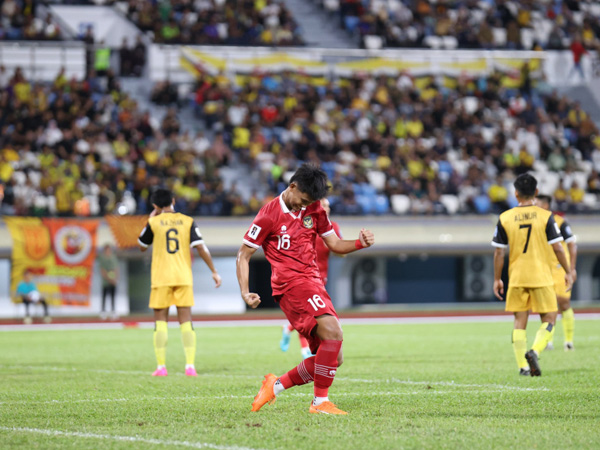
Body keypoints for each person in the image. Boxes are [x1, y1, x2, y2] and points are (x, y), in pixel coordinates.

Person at [236, 164, 375, 415]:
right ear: (292, 186)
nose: (304, 206)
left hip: (314, 282)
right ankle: (320, 403)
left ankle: (274, 386)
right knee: (333, 331)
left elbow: (334, 244)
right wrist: (245, 291)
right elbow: (243, 255)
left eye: (309, 202)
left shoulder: (316, 208)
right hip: (290, 284)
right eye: (303, 199)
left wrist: (358, 243)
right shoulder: (268, 214)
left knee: (334, 356)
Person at [492, 173, 572, 377]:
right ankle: (535, 351)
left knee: (520, 320)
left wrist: (497, 278)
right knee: (550, 317)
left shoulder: (505, 217)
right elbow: (558, 248)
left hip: (517, 276)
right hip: (541, 275)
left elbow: (499, 251)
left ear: (515, 192)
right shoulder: (546, 216)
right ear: (536, 192)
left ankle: (522, 367)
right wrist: (568, 271)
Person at [138, 188, 222, 377]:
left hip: (161, 277)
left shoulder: (153, 222)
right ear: (173, 200)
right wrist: (214, 271)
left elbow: (142, 246)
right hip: (183, 276)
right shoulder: (187, 221)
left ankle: (161, 367)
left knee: (160, 322)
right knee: (186, 321)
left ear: (155, 206)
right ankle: (190, 366)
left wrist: (152, 216)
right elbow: (200, 246)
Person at [280, 198, 343, 359]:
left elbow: (340, 250)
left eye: (328, 205)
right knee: (311, 315)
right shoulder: (305, 224)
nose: (327, 208)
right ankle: (305, 351)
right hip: (304, 277)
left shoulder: (333, 227)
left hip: (321, 277)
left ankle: (288, 328)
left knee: (312, 315)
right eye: (323, 205)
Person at [536, 195, 578, 351]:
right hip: (543, 269)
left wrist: (571, 269)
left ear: (546, 205)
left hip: (560, 268)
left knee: (563, 302)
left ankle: (568, 341)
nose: (534, 206)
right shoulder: (535, 223)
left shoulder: (560, 222)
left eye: (537, 203)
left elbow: (572, 245)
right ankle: (548, 341)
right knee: (547, 305)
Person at [97, 244, 118, 320]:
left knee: (113, 296)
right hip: (105, 282)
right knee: (104, 296)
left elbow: (116, 269)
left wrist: (114, 279)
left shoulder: (113, 257)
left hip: (113, 281)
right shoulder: (102, 258)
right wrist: (109, 279)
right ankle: (103, 312)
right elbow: (102, 270)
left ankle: (113, 311)